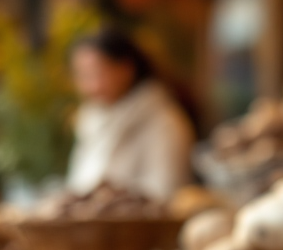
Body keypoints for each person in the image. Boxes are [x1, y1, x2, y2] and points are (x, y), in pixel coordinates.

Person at [66, 27, 195, 202]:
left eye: (96, 74)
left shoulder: (164, 122)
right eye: (82, 76)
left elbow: (166, 195)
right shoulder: (91, 121)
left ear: (126, 69)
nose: (89, 87)